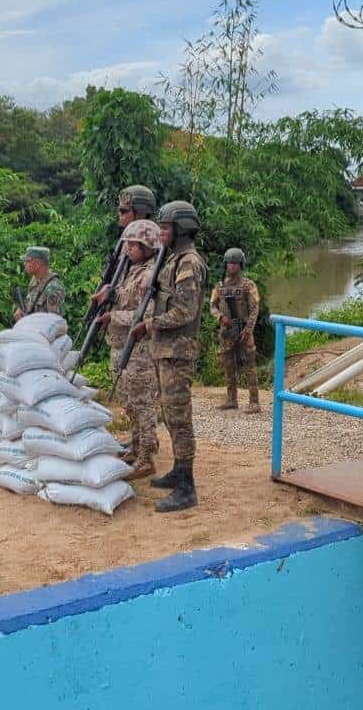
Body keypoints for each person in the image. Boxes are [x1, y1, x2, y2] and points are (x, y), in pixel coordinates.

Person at [129, 200, 208, 513]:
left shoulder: (188, 263)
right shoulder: (173, 259)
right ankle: (178, 470)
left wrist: (149, 325)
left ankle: (187, 486)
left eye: (165, 227)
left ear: (182, 228)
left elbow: (185, 311)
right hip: (166, 350)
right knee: (170, 415)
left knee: (179, 417)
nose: (160, 232)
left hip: (178, 352)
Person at [93, 219, 162, 479]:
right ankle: (136, 446)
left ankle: (146, 458)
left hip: (140, 350)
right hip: (121, 346)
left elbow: (147, 314)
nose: (129, 249)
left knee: (142, 404)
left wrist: (113, 317)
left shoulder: (149, 275)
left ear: (149, 246)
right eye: (129, 244)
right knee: (129, 403)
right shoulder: (130, 271)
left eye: (135, 245)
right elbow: (122, 300)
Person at [209, 247, 261, 414]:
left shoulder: (248, 285)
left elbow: (254, 309)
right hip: (227, 331)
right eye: (229, 263)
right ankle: (231, 399)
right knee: (228, 365)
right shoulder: (220, 286)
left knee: (250, 366)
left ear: (240, 265)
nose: (231, 266)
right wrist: (220, 318)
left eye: (234, 263)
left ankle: (254, 402)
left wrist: (248, 329)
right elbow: (212, 306)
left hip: (244, 330)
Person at [14, 246, 65, 320]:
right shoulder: (35, 280)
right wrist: (21, 310)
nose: (24, 264)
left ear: (37, 264)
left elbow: (53, 323)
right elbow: (30, 302)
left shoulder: (53, 288)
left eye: (27, 261)